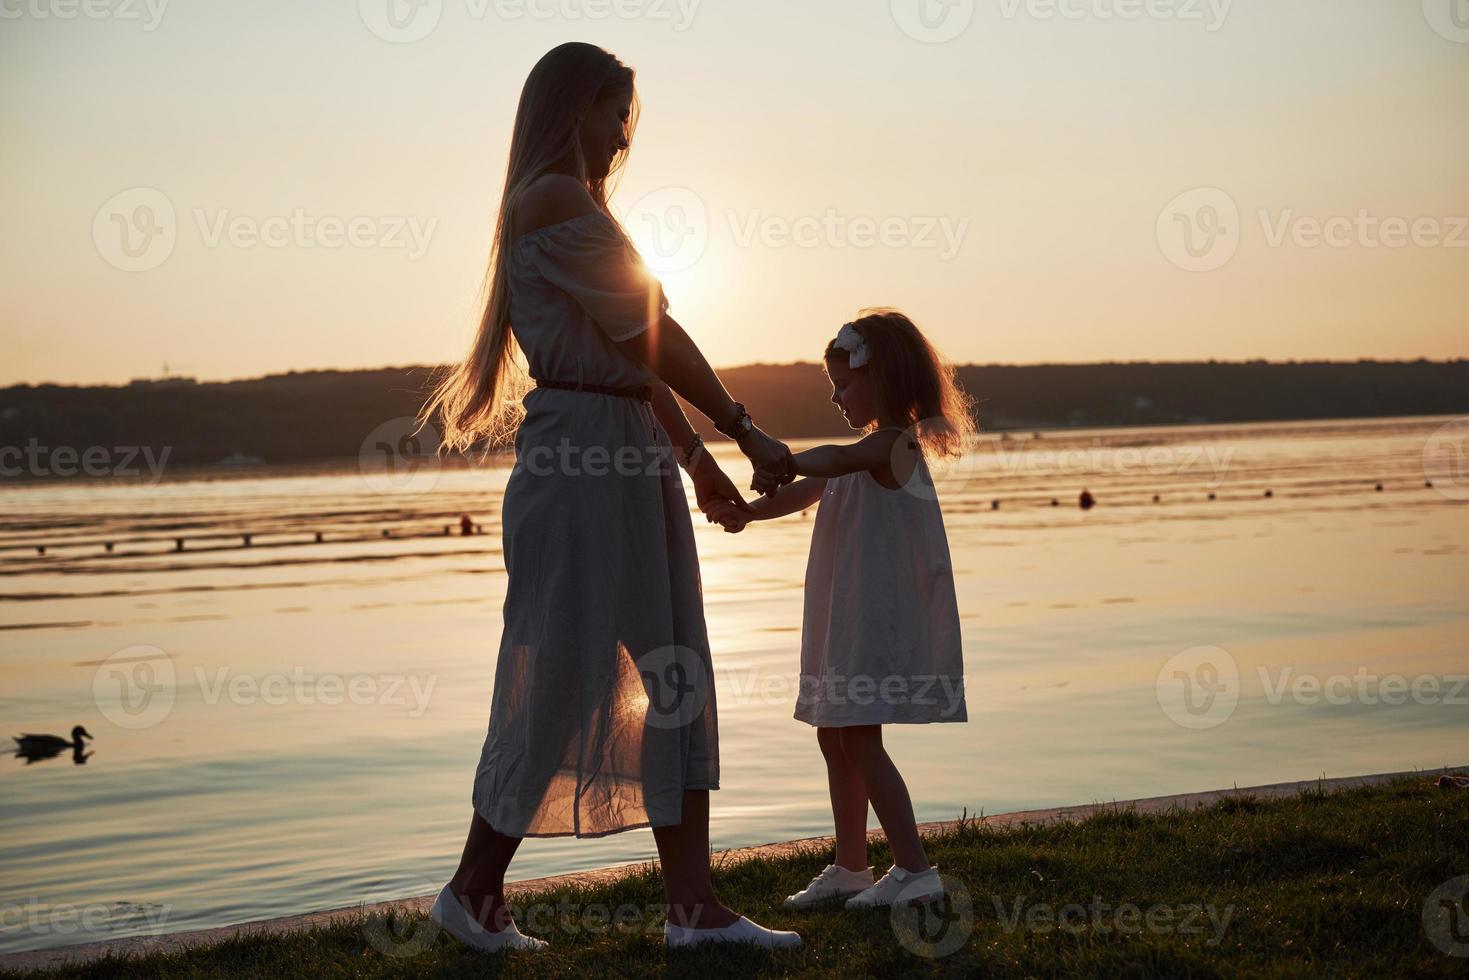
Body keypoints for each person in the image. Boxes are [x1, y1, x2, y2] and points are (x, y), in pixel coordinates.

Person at [418, 42, 800, 952]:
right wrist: (743, 428)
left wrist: (695, 459)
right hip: (586, 456)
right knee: (567, 676)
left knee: (669, 670)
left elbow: (629, 354)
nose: (624, 135)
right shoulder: (553, 200)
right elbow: (654, 335)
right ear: (570, 110)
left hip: (616, 444)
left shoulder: (571, 205)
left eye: (629, 116)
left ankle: (690, 907)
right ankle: (477, 892)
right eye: (611, 113)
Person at [706, 309, 973, 911]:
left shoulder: (891, 445)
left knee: (859, 734)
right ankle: (852, 864)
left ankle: (914, 868)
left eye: (844, 384)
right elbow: (806, 490)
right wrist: (751, 512)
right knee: (835, 732)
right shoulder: (863, 452)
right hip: (845, 608)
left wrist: (785, 458)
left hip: (876, 612)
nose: (835, 396)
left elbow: (825, 463)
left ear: (883, 379)